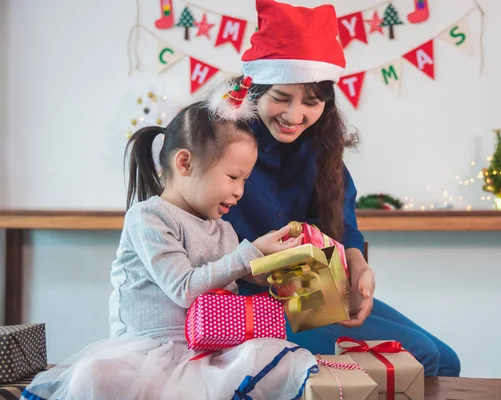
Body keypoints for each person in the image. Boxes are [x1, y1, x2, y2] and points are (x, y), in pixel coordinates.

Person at [222, 0, 461, 377]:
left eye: (311, 102)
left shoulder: (322, 148)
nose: (294, 115)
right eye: (281, 98)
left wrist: (359, 267)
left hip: (313, 293)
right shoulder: (224, 146)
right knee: (424, 359)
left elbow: (344, 226)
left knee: (446, 361)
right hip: (246, 304)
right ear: (254, 91)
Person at [21, 96, 317, 400]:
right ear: (185, 163)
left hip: (208, 349)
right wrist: (249, 254)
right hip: (147, 354)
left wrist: (273, 275)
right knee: (95, 375)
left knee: (274, 363)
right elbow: (185, 288)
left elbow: (225, 283)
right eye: (232, 177)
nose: (239, 191)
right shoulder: (149, 217)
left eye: (245, 180)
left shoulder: (223, 229)